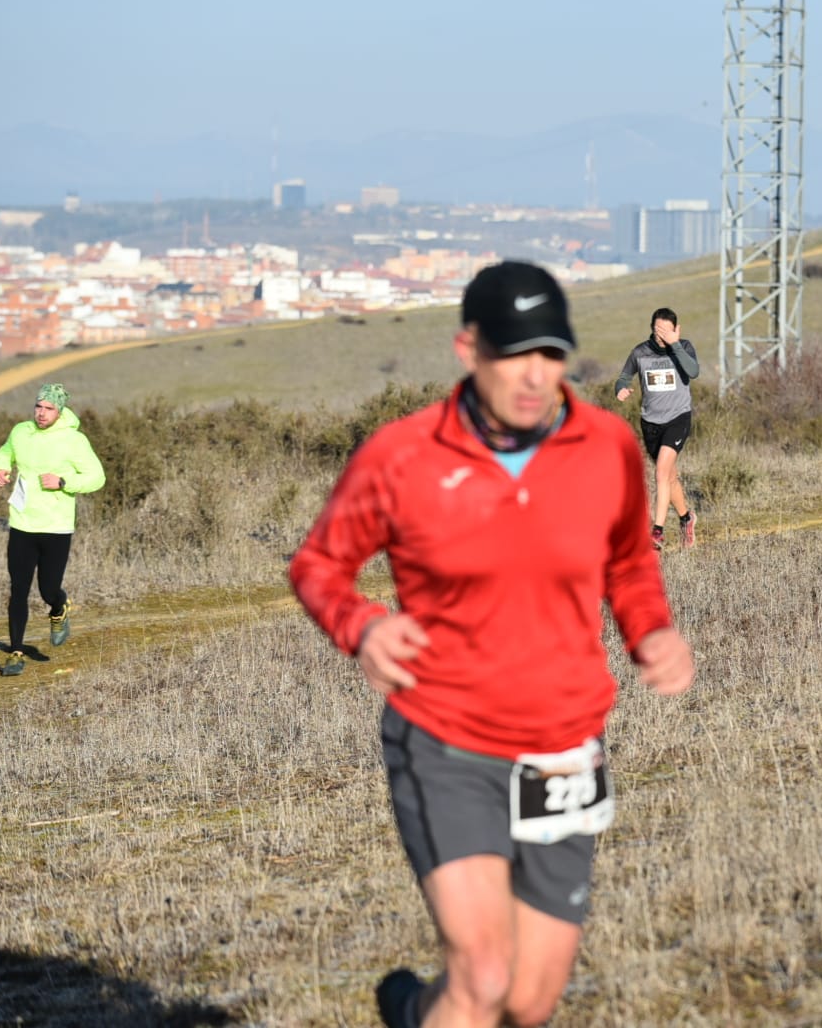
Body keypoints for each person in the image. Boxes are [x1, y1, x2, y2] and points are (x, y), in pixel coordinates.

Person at [289, 261, 694, 1028]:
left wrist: (651, 633)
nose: (536, 376)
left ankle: (411, 1013)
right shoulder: (404, 455)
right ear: (468, 349)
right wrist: (363, 626)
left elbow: (629, 562)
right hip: (447, 738)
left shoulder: (605, 446)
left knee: (531, 1002)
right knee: (481, 976)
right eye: (514, 355)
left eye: (550, 354)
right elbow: (319, 565)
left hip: (566, 749)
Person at [0, 383, 106, 677]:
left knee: (48, 589)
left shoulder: (74, 440)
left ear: (60, 410)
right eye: (38, 407)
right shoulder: (21, 432)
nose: (41, 413)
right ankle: (15, 653)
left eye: (48, 408)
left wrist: (64, 481)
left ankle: (59, 607)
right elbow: (5, 452)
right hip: (22, 523)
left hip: (56, 526)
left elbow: (96, 477)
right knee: (18, 589)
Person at [614, 307, 700, 550]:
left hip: (678, 418)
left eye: (666, 331)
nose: (661, 336)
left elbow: (693, 371)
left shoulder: (685, 347)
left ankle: (657, 532)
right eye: (657, 331)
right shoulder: (640, 352)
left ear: (676, 329)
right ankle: (686, 518)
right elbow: (624, 377)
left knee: (661, 473)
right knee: (669, 478)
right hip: (651, 423)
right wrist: (620, 388)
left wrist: (676, 344)